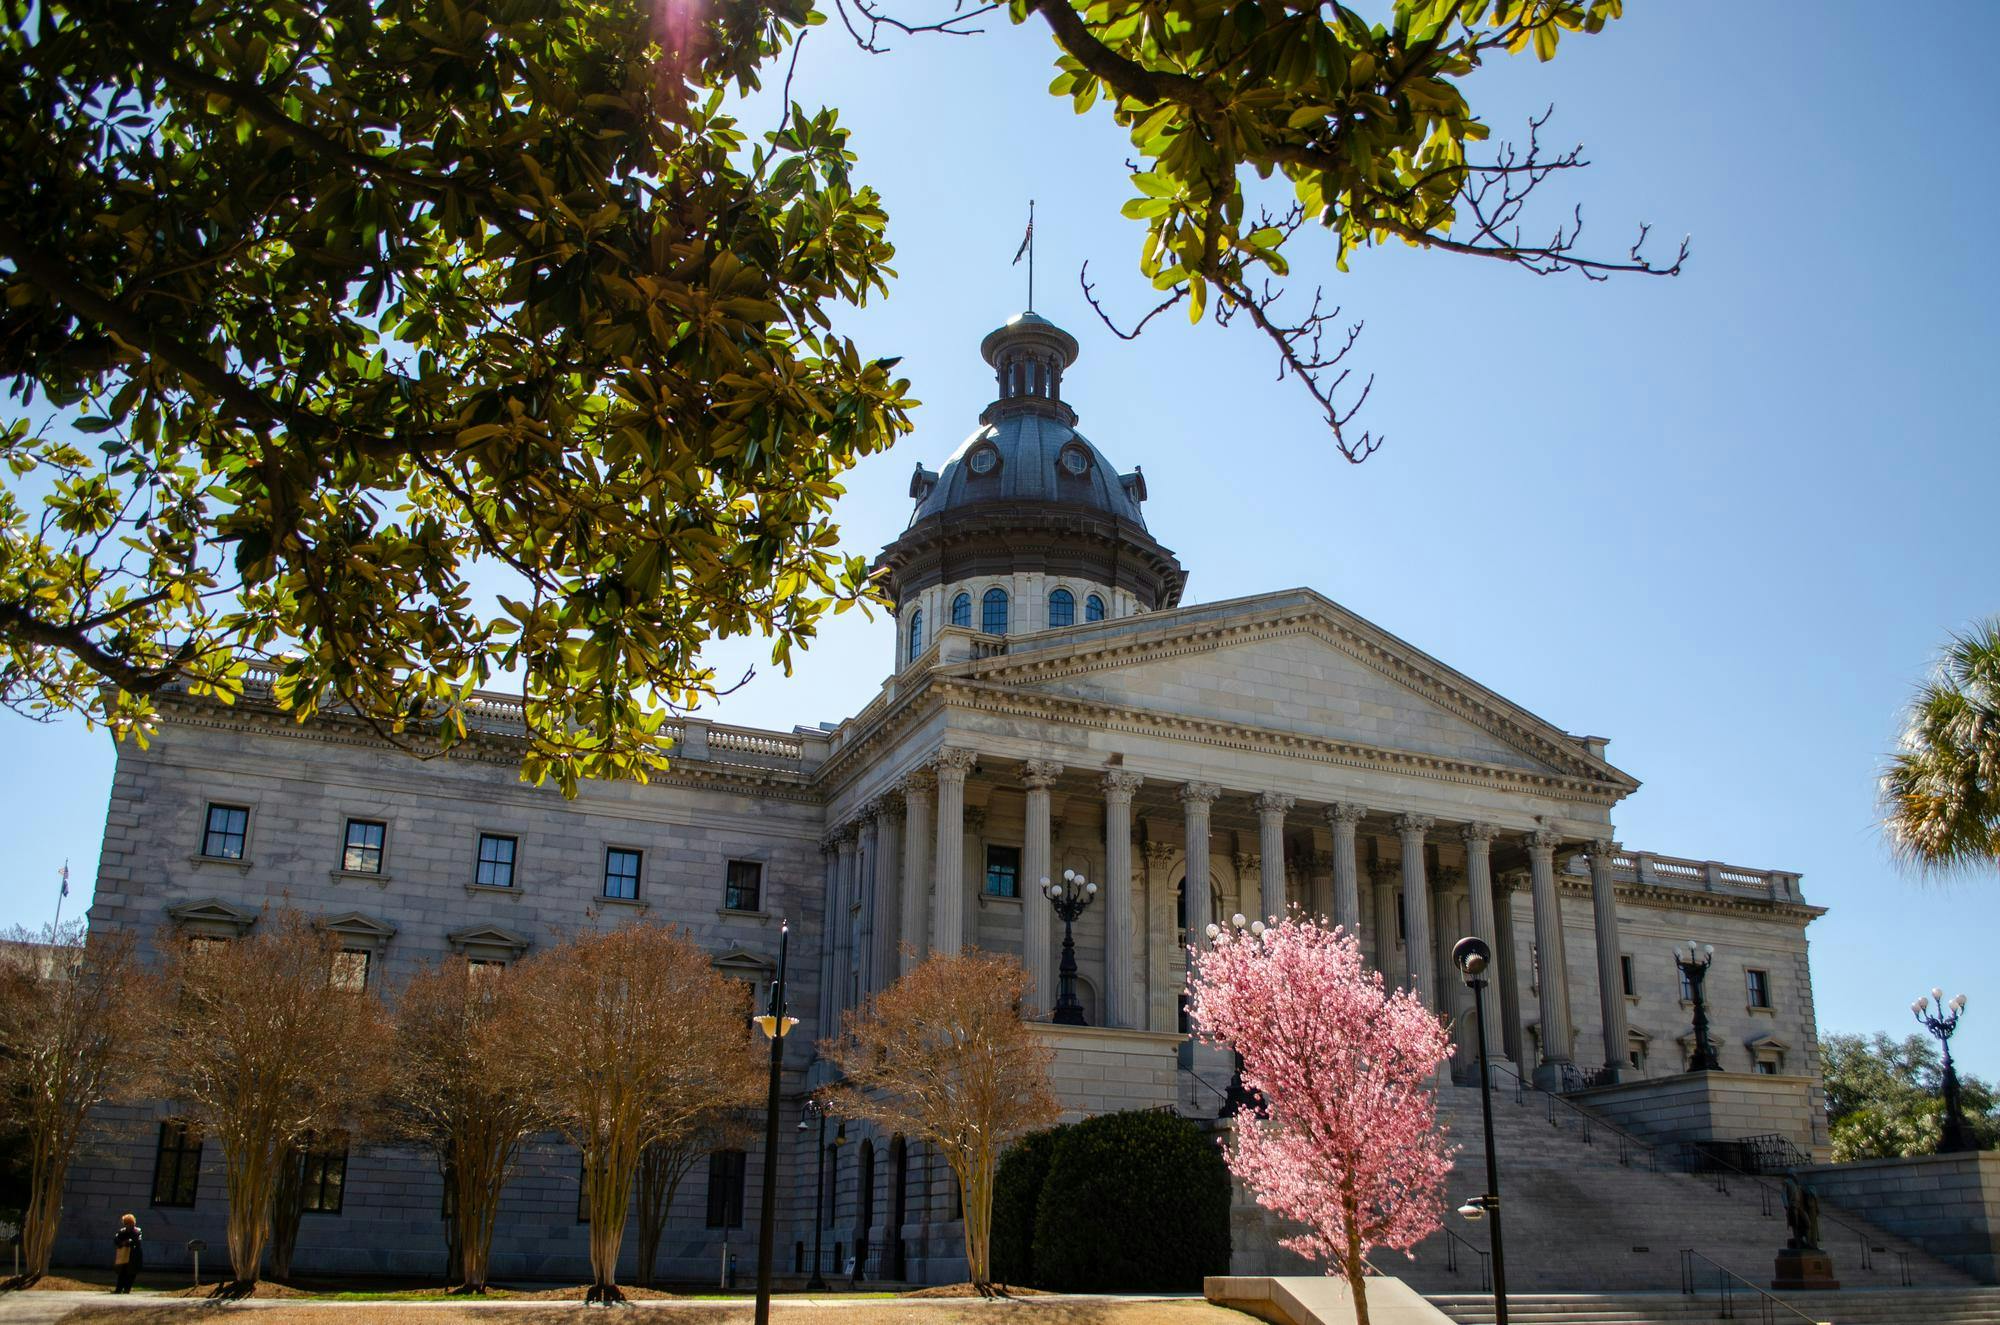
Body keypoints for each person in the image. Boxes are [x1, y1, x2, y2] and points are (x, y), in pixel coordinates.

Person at [112, 1214, 143, 1294]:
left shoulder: (137, 1231)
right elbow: (116, 1239)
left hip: (134, 1255)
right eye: (127, 1224)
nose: (129, 1226)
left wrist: (130, 1242)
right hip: (124, 1255)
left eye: (131, 1223)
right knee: (122, 1272)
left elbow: (138, 1241)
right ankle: (119, 1289)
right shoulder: (122, 1231)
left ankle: (127, 1289)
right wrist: (122, 1243)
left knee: (131, 1272)